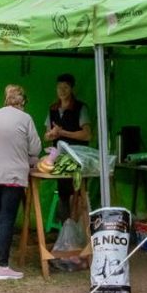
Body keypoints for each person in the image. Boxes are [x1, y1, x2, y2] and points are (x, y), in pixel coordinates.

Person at [0, 85, 41, 280]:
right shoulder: (25, 119)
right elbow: (36, 148)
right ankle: (4, 265)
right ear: (22, 102)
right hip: (13, 176)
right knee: (6, 218)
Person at [43, 73, 92, 220]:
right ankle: (65, 229)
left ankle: (79, 228)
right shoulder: (52, 109)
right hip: (60, 159)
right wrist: (51, 135)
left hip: (78, 159)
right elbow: (46, 136)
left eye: (65, 87)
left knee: (77, 192)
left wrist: (63, 132)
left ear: (71, 89)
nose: (62, 91)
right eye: (59, 87)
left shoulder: (80, 108)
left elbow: (87, 134)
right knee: (63, 192)